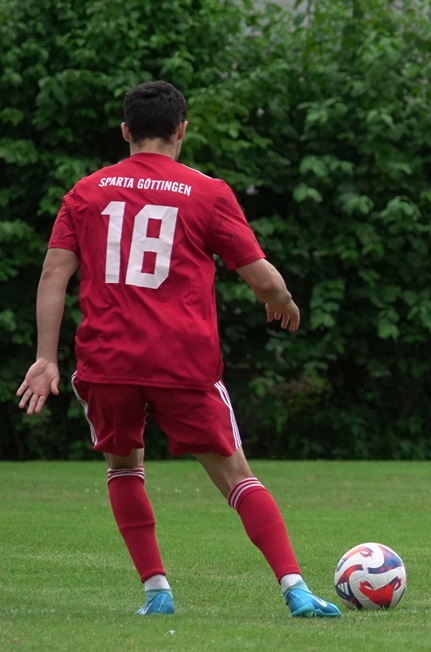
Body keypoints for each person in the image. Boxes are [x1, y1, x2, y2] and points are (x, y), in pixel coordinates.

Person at [15, 81, 341, 618]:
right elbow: (260, 277)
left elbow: (54, 273)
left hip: (109, 361)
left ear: (126, 131)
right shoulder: (207, 192)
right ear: (182, 129)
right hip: (182, 362)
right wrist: (281, 299)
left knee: (124, 469)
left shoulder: (87, 191)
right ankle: (295, 589)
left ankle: (156, 592)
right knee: (238, 476)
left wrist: (46, 358)